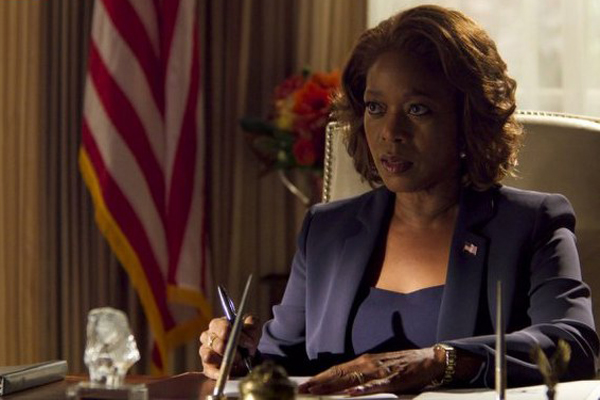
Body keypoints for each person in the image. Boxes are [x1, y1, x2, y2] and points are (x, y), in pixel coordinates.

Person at [199, 4, 599, 396]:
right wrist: (240, 359)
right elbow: (283, 363)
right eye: (375, 107)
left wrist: (439, 361)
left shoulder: (531, 223)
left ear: (469, 119)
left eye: (417, 109)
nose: (391, 131)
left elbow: (572, 344)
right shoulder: (326, 229)